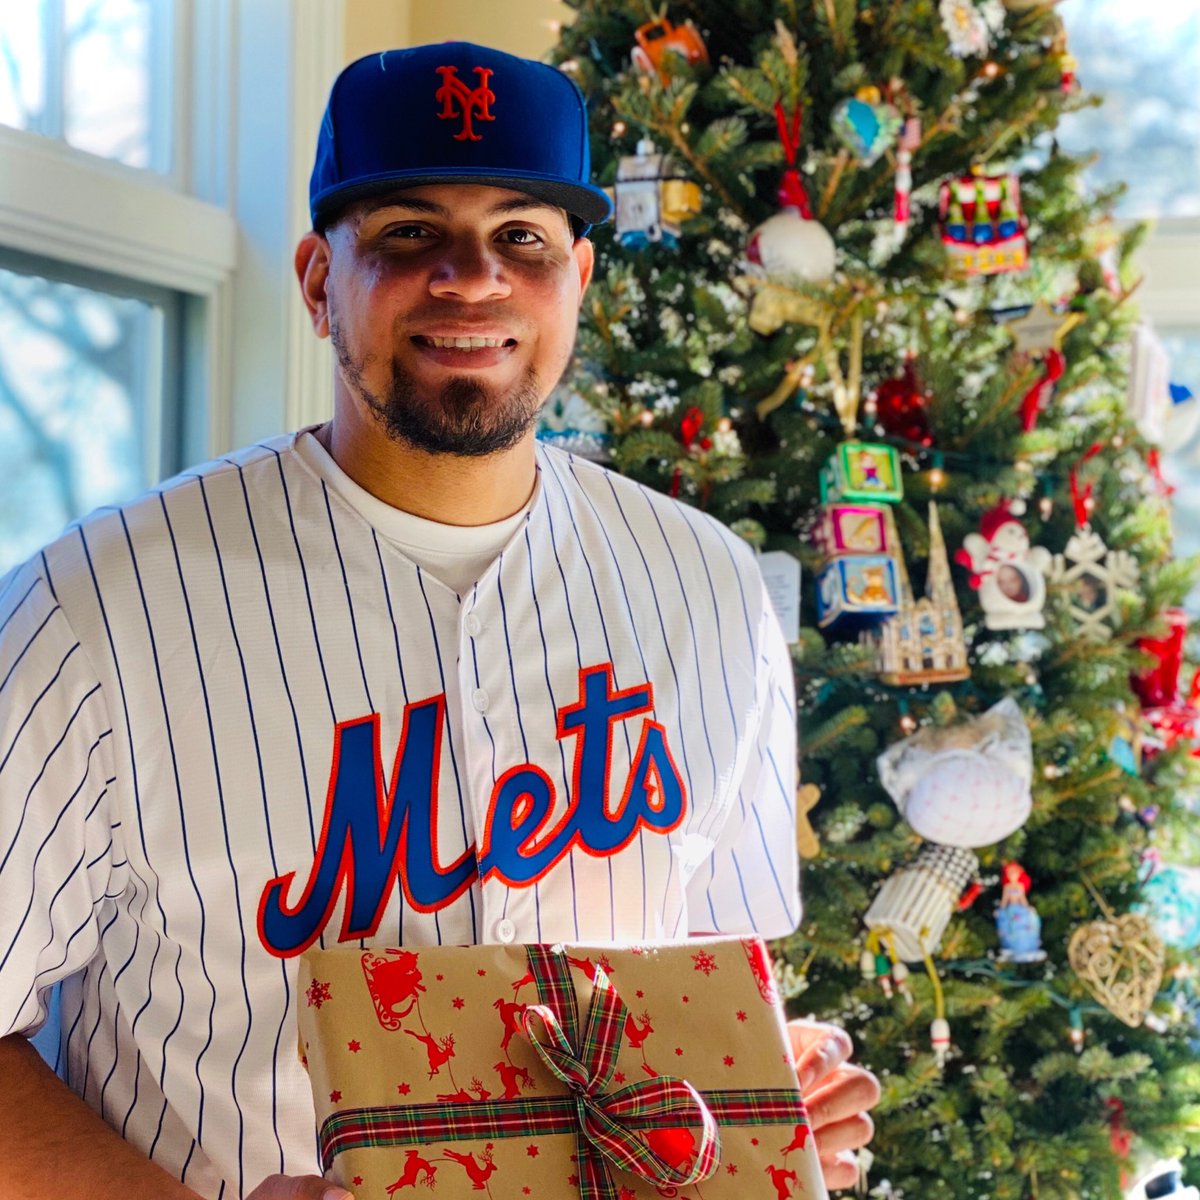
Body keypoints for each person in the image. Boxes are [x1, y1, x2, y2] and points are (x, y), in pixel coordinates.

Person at [0, 41, 879, 1199]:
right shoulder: (95, 608)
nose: (472, 277)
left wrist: (770, 1095)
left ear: (579, 278)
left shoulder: (708, 586)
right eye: (411, 232)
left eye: (523, 235)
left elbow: (707, 985)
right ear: (320, 279)